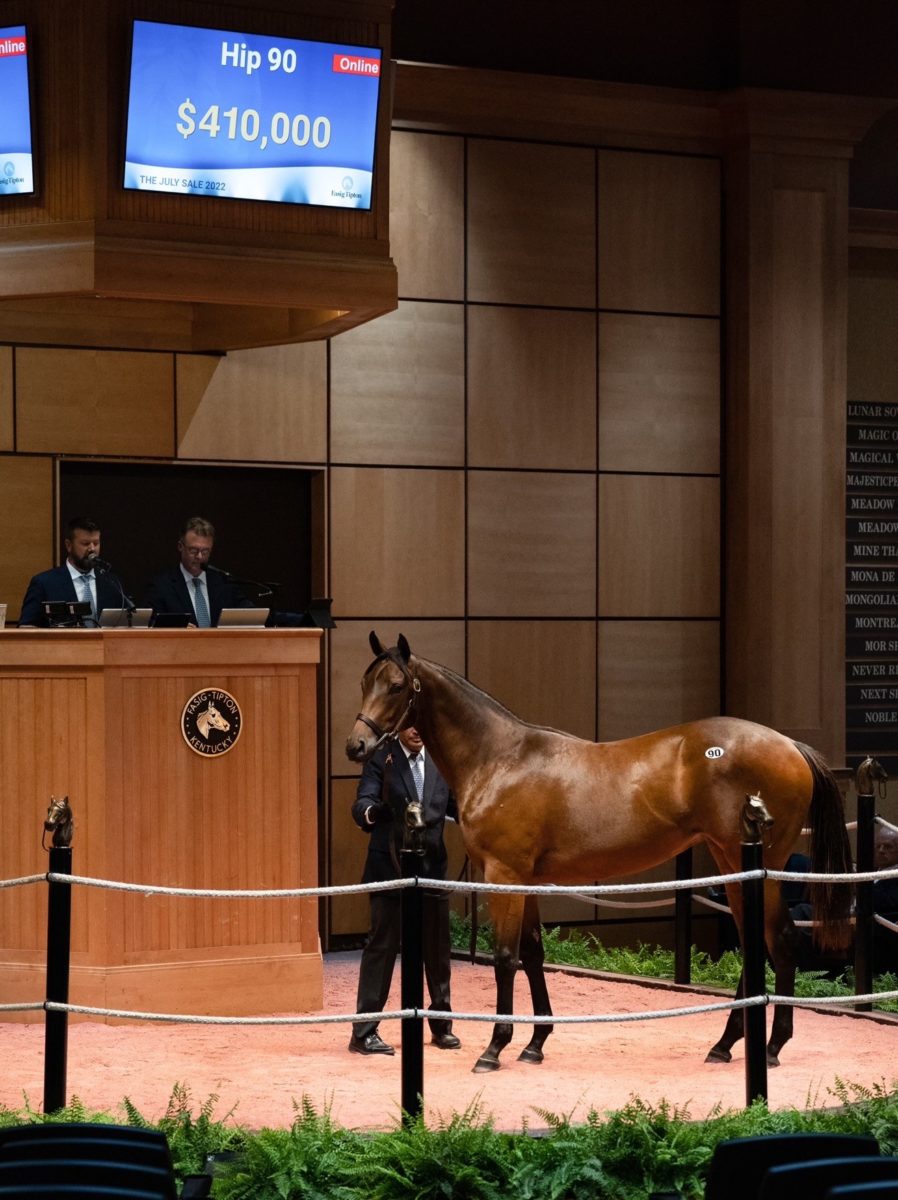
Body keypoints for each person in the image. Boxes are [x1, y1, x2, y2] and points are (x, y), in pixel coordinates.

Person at [349, 725, 460, 1055]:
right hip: (390, 869)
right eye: (411, 724)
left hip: (433, 871)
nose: (417, 730)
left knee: (438, 952)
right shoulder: (381, 759)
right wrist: (374, 811)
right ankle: (364, 1033)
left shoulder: (442, 759)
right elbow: (362, 805)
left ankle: (441, 1027)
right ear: (399, 726)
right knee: (381, 949)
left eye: (421, 723)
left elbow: (459, 806)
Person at [143, 516, 254, 627]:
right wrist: (176, 627)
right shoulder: (161, 586)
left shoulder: (225, 583)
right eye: (193, 550)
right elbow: (150, 623)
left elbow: (251, 614)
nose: (199, 556)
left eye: (205, 551)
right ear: (180, 546)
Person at [18, 517, 130, 627]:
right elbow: (26, 627)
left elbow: (126, 624)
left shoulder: (112, 582)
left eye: (96, 543)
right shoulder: (44, 583)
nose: (92, 549)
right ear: (68, 545)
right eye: (85, 543)